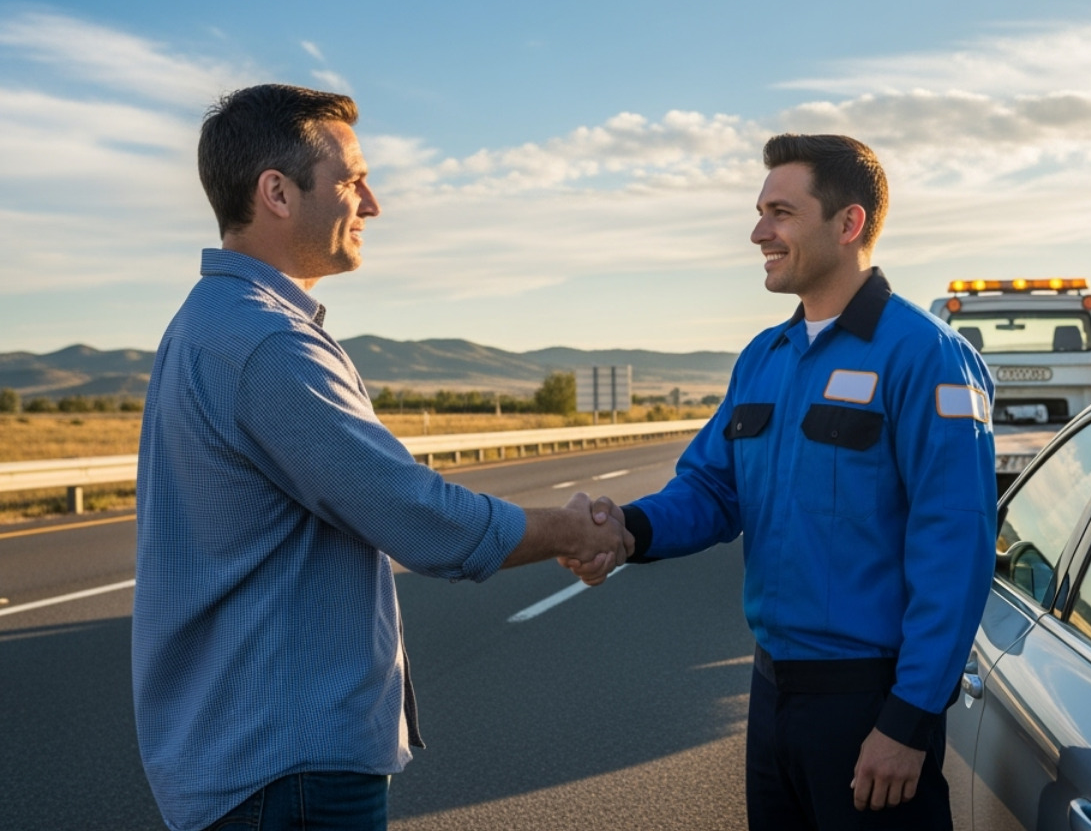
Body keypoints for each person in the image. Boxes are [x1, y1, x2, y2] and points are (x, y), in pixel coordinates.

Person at [132, 84, 631, 831]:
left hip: (240, 760)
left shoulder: (207, 324)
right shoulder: (267, 344)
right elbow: (416, 516)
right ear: (276, 192)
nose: (372, 204)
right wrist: (572, 531)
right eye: (351, 180)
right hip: (286, 770)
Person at [565, 134, 996, 830]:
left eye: (781, 212)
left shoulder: (929, 357)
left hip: (869, 702)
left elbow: (957, 548)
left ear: (848, 223)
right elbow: (710, 489)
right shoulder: (763, 359)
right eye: (762, 212)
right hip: (772, 696)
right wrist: (628, 531)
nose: (759, 231)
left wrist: (910, 721)